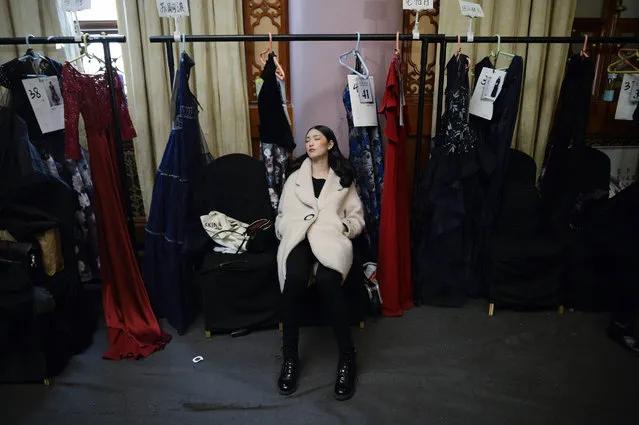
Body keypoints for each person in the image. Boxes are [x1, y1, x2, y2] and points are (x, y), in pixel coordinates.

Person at [275, 125, 365, 400]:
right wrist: (285, 230)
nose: (311, 143)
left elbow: (357, 217)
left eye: (317, 138)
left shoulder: (343, 179)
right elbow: (281, 214)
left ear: (330, 143)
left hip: (330, 239)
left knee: (328, 281)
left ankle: (347, 358)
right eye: (307, 139)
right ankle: (290, 357)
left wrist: (345, 229)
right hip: (299, 240)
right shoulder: (294, 180)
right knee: (295, 280)